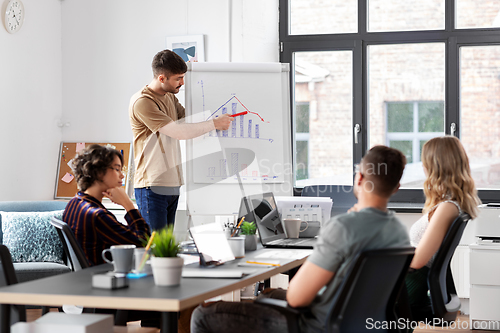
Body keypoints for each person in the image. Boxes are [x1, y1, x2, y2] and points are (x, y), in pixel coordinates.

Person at [191, 145, 410, 333]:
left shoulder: (343, 228)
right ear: (397, 188)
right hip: (360, 323)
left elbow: (297, 299)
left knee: (202, 315)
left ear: (359, 178)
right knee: (268, 294)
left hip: (317, 325)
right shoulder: (398, 231)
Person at [129, 49, 233, 230]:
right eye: (178, 78)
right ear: (162, 78)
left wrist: (203, 78)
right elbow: (179, 132)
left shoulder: (169, 96)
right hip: (151, 187)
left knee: (167, 249)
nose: (182, 83)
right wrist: (214, 124)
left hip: (173, 184)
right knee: (156, 249)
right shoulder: (143, 102)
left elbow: (190, 121)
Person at [405, 136, 481, 321]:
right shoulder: (449, 204)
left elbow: (417, 261)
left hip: (410, 283)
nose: (422, 166)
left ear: (434, 166)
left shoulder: (447, 207)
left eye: (425, 161)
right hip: (409, 279)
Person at [63, 144, 151, 266]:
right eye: (117, 169)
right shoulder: (97, 216)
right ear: (99, 172)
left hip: (85, 277)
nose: (122, 175)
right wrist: (128, 204)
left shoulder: (75, 202)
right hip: (104, 276)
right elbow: (144, 242)